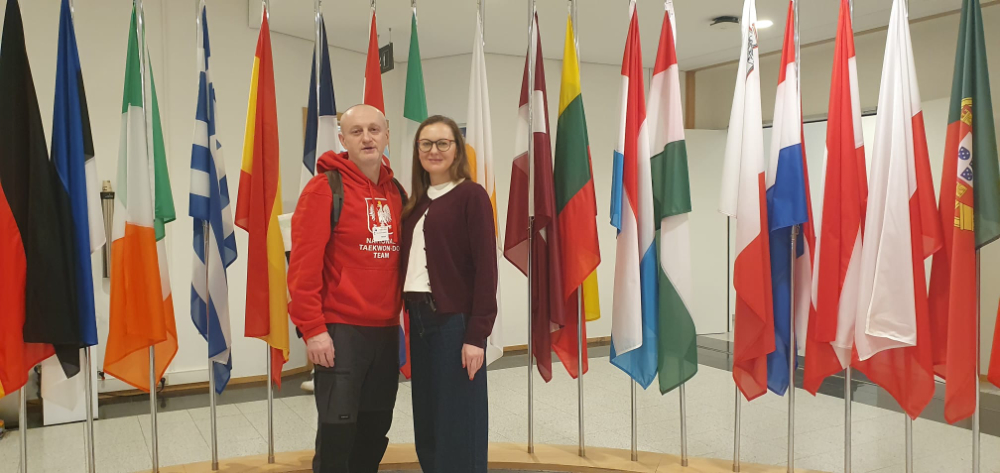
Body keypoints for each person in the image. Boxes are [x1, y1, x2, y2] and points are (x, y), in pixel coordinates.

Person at [288, 104, 406, 473]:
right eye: (357, 131)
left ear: (386, 136)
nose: (367, 138)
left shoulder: (397, 191)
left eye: (374, 129)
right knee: (337, 437)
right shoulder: (325, 189)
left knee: (374, 434)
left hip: (386, 333)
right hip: (341, 334)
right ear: (343, 139)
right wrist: (313, 330)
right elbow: (303, 269)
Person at [399, 115, 498, 472]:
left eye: (443, 143)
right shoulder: (414, 203)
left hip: (455, 323)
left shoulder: (471, 195)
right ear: (417, 151)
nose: (434, 150)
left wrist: (476, 336)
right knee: (428, 415)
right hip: (419, 321)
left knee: (459, 417)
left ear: (457, 149)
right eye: (426, 143)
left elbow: (486, 269)